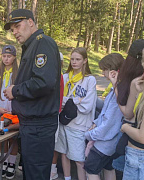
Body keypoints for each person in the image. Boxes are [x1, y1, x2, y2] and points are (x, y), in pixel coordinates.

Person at [3, 9, 61, 180]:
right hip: (32, 124)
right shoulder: (31, 45)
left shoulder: (43, 43)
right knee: (30, 172)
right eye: (12, 29)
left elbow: (44, 82)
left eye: (17, 26)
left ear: (30, 22)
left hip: (39, 126)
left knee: (36, 174)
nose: (14, 32)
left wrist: (15, 90)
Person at [110, 39, 144, 180]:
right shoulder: (139, 83)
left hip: (142, 152)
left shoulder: (135, 82)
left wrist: (125, 128)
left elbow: (128, 113)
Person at [55, 47, 97, 180]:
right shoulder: (65, 77)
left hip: (79, 125)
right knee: (64, 153)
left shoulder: (89, 80)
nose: (74, 62)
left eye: (78, 59)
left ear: (85, 61)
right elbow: (59, 101)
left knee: (79, 160)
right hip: (63, 121)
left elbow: (87, 106)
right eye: (72, 59)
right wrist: (76, 100)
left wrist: (71, 102)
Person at [84, 53, 125, 180]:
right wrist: (96, 122)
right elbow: (104, 115)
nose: (102, 74)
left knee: (90, 170)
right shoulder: (117, 90)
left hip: (105, 144)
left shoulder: (117, 93)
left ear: (112, 71)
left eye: (104, 70)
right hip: (112, 144)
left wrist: (90, 134)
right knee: (109, 168)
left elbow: (109, 123)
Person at [120, 43, 144, 180]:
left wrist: (125, 127)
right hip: (139, 158)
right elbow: (129, 113)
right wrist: (135, 91)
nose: (142, 64)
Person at [0, 45, 19, 179]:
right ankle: (4, 161)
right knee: (2, 137)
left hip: (14, 112)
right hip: (1, 111)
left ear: (14, 57)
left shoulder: (19, 74)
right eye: (4, 56)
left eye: (9, 56)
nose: (6, 59)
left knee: (13, 138)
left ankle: (12, 163)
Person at [51, 52, 65, 180]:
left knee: (53, 144)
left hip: (53, 113)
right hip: (50, 113)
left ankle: (52, 170)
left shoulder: (59, 76)